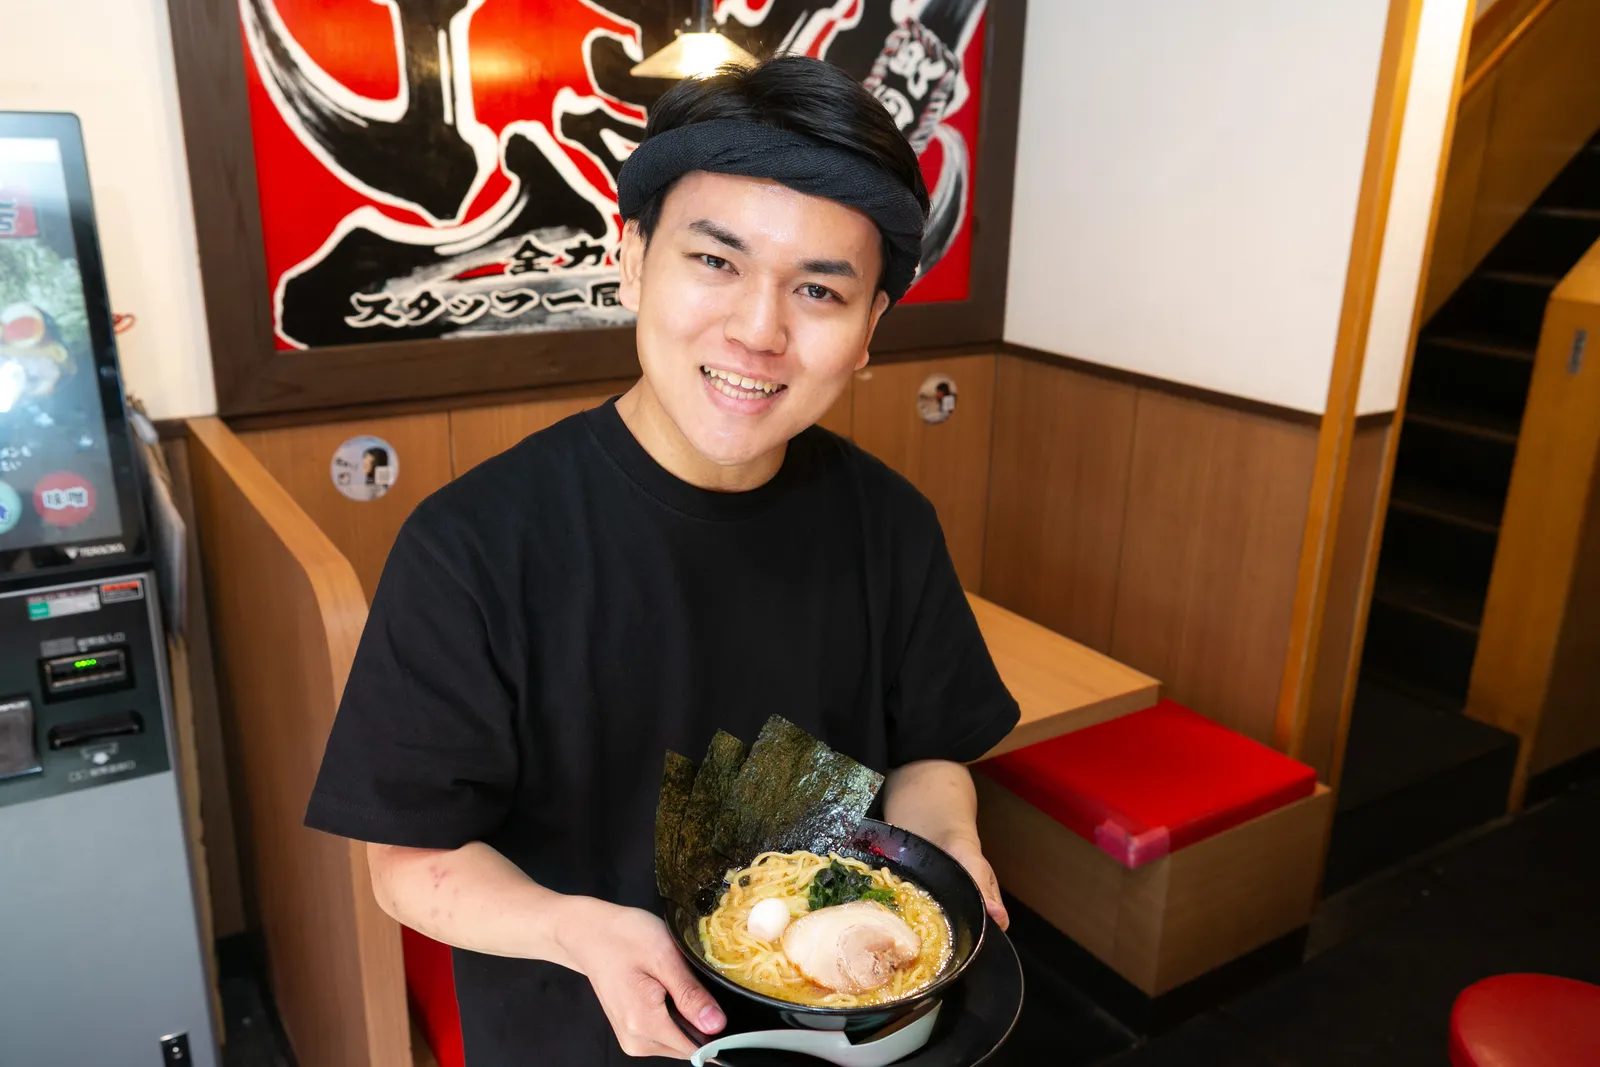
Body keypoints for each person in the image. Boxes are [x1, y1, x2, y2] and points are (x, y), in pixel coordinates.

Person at [304, 54, 1020, 1066]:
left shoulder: (888, 521)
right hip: (581, 1036)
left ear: (869, 331)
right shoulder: (473, 544)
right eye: (715, 261)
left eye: (819, 288)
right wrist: (575, 929)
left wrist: (939, 851)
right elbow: (408, 859)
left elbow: (930, 748)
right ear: (633, 259)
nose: (758, 329)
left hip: (839, 1033)